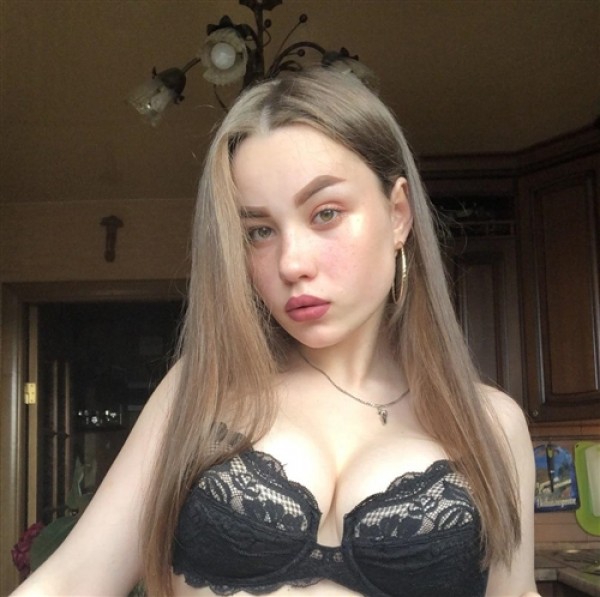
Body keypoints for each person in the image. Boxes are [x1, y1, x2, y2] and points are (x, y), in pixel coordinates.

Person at [12, 69, 540, 597]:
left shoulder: (491, 424)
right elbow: (72, 580)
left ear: (398, 214)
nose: (291, 263)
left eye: (325, 213)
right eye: (260, 231)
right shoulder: (201, 391)